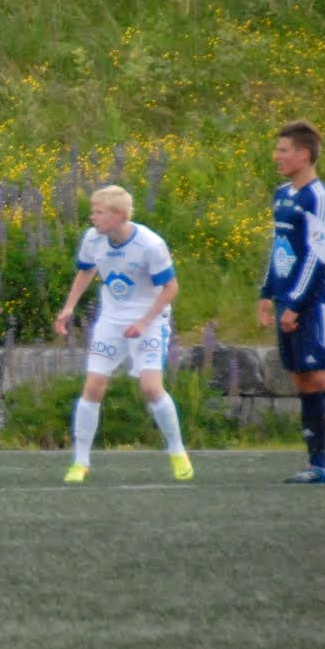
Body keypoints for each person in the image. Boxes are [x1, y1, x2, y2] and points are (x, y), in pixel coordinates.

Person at [51, 186, 191, 482]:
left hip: (149, 320)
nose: (92, 217)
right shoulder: (93, 239)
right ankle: (80, 462)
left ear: (118, 215)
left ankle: (177, 451)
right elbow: (86, 270)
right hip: (111, 321)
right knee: (93, 386)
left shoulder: (150, 244)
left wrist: (144, 321)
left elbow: (171, 288)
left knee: (151, 388)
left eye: (99, 212)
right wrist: (69, 307)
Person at [258, 122, 325, 483]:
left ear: (304, 155)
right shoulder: (281, 194)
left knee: (324, 375)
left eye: (283, 150)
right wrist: (266, 293)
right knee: (303, 380)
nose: (277, 156)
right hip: (286, 299)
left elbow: (316, 257)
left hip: (314, 303)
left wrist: (296, 303)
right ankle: (319, 464)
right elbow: (279, 248)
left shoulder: (319, 198)